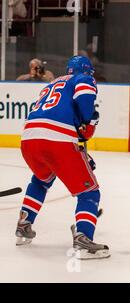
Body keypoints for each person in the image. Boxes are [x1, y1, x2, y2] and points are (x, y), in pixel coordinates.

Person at [15, 55, 110, 260]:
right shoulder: (83, 78)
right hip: (56, 140)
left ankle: (23, 224)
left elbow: (53, 114)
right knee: (89, 192)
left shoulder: (52, 84)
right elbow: (84, 103)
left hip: (29, 139)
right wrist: (88, 119)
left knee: (40, 180)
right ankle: (83, 238)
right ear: (86, 70)